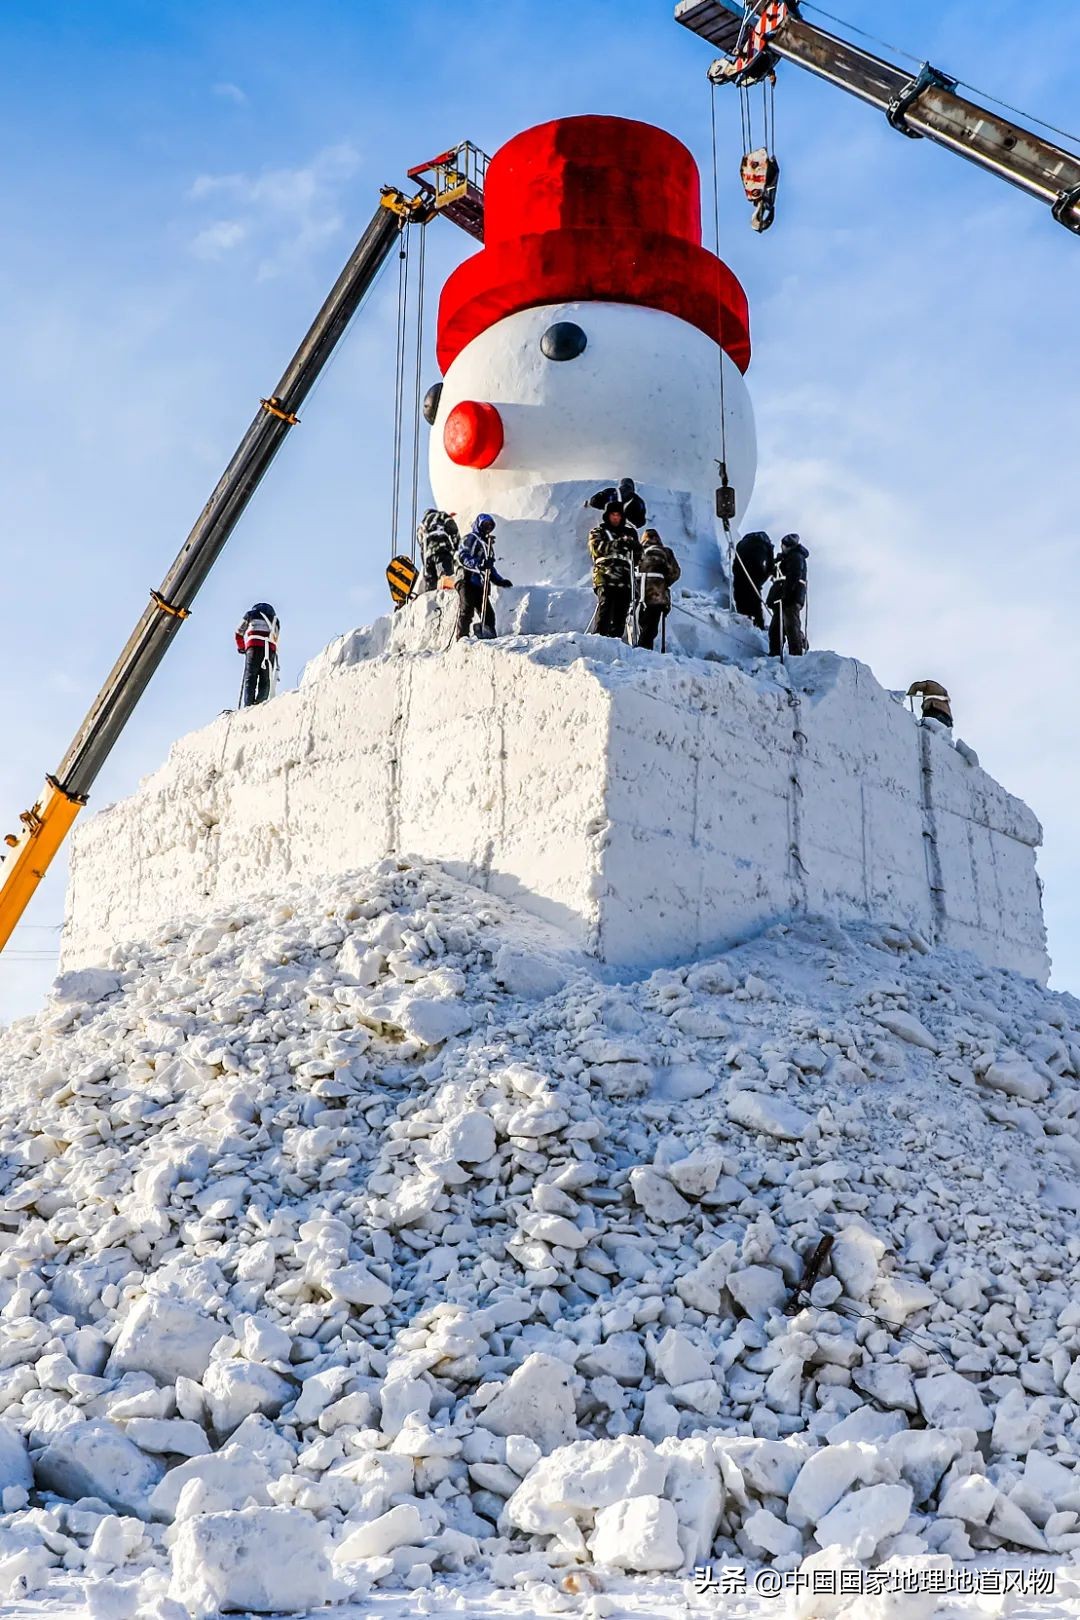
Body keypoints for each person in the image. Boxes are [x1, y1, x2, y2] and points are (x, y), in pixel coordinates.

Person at [588, 499, 642, 638]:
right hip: (605, 576)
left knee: (620, 614)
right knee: (605, 609)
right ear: (608, 515)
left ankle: (614, 644)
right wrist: (618, 544)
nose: (616, 517)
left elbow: (637, 558)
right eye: (613, 514)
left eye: (618, 515)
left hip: (624, 579)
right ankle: (598, 640)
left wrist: (636, 548)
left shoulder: (629, 533)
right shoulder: (598, 531)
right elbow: (596, 548)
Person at [455, 514, 511, 641]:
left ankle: (488, 636)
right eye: (485, 525)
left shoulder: (487, 546)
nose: (488, 528)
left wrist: (499, 580)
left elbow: (489, 568)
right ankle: (461, 638)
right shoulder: (471, 538)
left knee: (488, 614)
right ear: (479, 525)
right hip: (466, 579)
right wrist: (478, 564)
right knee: (467, 608)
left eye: (490, 526)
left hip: (479, 583)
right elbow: (463, 556)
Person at [636, 529, 681, 651]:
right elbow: (675, 572)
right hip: (656, 594)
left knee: (640, 621)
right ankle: (644, 649)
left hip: (637, 591)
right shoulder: (665, 552)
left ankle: (637, 646)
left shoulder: (637, 550)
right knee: (651, 625)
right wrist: (664, 583)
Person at [767, 534, 809, 657]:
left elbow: (794, 576)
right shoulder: (784, 559)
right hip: (782, 598)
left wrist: (786, 594)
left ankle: (796, 654)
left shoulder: (796, 557)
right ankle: (775, 654)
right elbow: (775, 572)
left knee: (791, 626)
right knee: (776, 628)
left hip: (790, 597)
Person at [235, 602, 280, 707]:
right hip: (270, 650)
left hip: (253, 648)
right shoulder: (275, 620)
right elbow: (276, 637)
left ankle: (248, 705)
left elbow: (238, 632)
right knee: (265, 679)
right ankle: (260, 704)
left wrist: (242, 648)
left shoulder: (250, 614)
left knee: (250, 678)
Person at [733, 530, 774, 629]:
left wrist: (736, 574)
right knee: (754, 597)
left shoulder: (743, 542)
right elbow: (770, 567)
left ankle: (742, 617)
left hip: (740, 570)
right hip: (755, 568)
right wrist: (761, 580)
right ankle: (758, 624)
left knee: (740, 593)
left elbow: (736, 562)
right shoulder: (767, 545)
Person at [417, 508, 460, 593]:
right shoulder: (440, 515)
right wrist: (457, 545)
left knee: (431, 579)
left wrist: (424, 563)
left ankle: (431, 596)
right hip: (441, 548)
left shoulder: (420, 527)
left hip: (427, 555)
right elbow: (451, 526)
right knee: (445, 573)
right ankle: (447, 590)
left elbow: (421, 546)